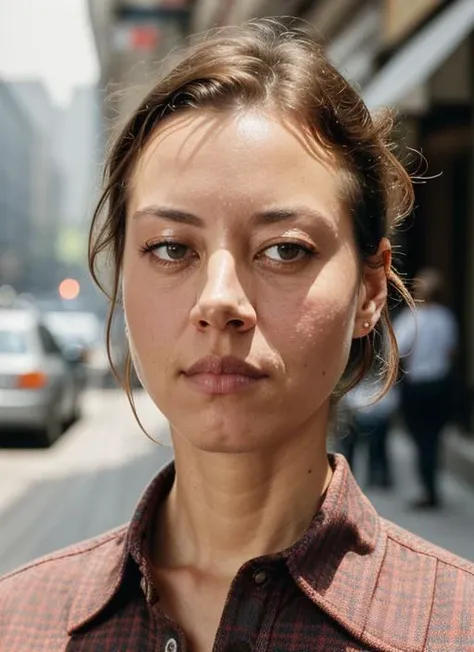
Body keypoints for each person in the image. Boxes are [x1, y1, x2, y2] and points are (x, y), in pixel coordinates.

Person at [1, 18, 473, 652]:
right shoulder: (20, 621)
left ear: (369, 290)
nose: (219, 300)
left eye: (284, 250)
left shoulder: (451, 626)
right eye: (170, 247)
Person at [395, 268, 458, 509]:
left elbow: (399, 349)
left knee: (421, 439)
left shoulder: (412, 318)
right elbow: (451, 352)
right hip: (440, 385)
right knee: (432, 437)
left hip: (418, 385)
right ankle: (431, 486)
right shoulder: (446, 318)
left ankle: (428, 489)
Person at [338, 378, 399, 488]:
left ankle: (380, 477)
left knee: (378, 448)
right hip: (358, 416)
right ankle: (348, 477)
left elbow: (390, 400)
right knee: (350, 447)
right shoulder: (356, 377)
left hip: (376, 417)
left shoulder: (382, 380)